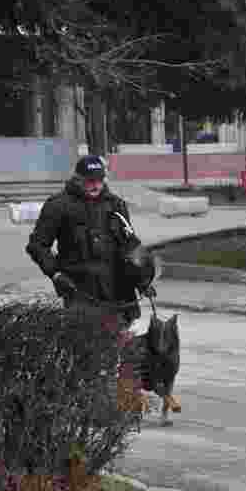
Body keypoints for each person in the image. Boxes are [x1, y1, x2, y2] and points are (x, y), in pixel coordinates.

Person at [26, 154, 158, 410]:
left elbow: (131, 245)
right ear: (78, 178)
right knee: (88, 351)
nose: (95, 185)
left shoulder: (116, 205)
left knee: (123, 349)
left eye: (99, 180)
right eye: (89, 181)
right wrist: (56, 274)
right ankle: (89, 406)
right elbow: (37, 245)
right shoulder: (59, 206)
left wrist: (143, 279)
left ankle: (123, 403)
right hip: (81, 291)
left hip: (118, 292)